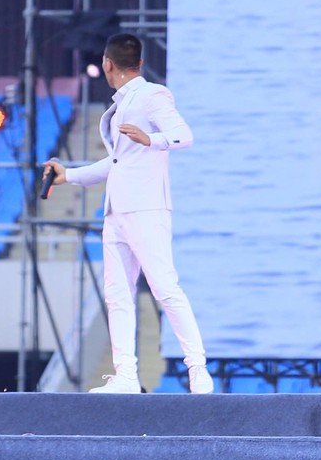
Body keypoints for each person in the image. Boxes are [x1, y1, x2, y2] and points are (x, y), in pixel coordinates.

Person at [44, 33, 215, 395]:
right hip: (116, 211)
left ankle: (197, 368)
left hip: (147, 208)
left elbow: (184, 135)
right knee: (117, 294)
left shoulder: (152, 95)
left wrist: (150, 139)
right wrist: (69, 176)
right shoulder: (122, 103)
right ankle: (125, 375)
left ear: (107, 63)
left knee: (165, 287)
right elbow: (118, 163)